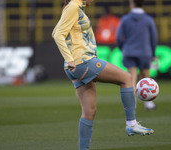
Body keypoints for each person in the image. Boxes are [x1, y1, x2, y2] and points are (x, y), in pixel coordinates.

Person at [52, 0, 154, 149]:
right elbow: (57, 34)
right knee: (127, 78)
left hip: (76, 66)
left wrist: (69, 60)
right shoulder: (74, 5)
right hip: (83, 61)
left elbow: (57, 31)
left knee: (89, 112)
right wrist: (69, 59)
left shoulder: (74, 6)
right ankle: (131, 124)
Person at [116, 0, 158, 110]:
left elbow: (119, 37)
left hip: (129, 51)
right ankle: (149, 103)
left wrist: (123, 48)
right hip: (145, 52)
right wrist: (153, 53)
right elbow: (153, 38)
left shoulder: (125, 19)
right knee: (146, 77)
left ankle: (132, 104)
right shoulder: (148, 19)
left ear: (132, 4)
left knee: (131, 78)